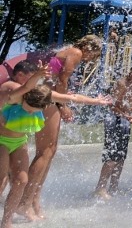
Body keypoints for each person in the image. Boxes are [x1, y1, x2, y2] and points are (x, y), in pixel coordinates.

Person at [0, 62, 111, 223]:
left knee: (21, 181)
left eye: (34, 111)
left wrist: (96, 101)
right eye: (28, 108)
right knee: (1, 178)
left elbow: (72, 97)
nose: (30, 112)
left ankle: (6, 222)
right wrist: (38, 75)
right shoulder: (17, 95)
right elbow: (27, 87)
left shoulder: (45, 95)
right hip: (2, 141)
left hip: (19, 142)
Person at [17, 34, 103, 221]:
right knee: (45, 151)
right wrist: (63, 106)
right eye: (94, 55)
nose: (91, 59)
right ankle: (24, 203)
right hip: (46, 97)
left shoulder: (69, 51)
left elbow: (58, 78)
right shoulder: (76, 52)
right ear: (89, 48)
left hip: (47, 94)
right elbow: (63, 79)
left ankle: (34, 200)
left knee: (50, 150)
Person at [94, 62, 132, 200]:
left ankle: (114, 186)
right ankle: (100, 188)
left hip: (125, 120)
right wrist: (125, 115)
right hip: (114, 119)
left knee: (121, 157)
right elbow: (111, 104)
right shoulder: (121, 83)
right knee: (112, 156)